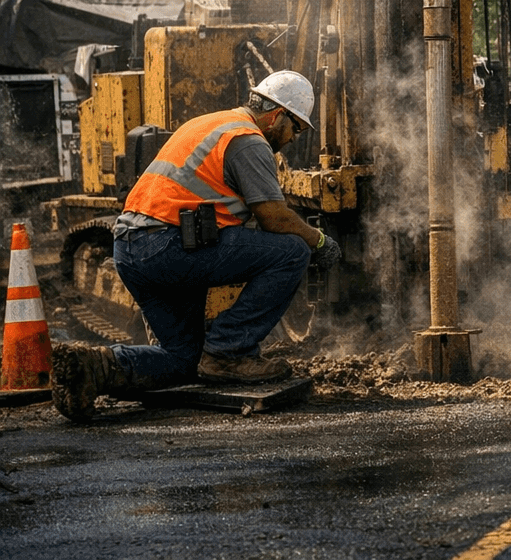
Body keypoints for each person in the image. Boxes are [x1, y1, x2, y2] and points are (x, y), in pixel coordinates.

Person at [51, 70, 341, 423]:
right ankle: (229, 351)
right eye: (295, 128)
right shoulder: (248, 139)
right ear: (278, 114)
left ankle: (94, 368)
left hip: (131, 249)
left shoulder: (212, 123)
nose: (294, 138)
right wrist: (319, 241)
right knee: (292, 252)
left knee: (182, 359)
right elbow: (274, 218)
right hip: (166, 246)